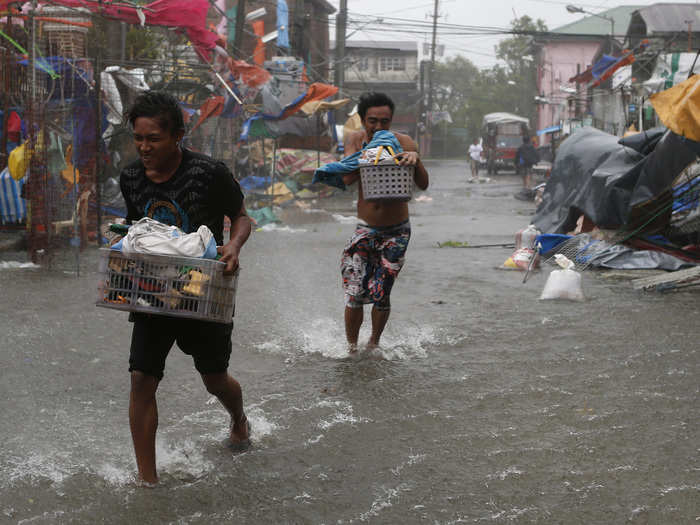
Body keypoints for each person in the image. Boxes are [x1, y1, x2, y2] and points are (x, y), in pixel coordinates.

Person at [118, 91, 252, 484]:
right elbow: (134, 228)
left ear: (177, 136)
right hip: (153, 291)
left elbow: (241, 217)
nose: (144, 147)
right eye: (138, 138)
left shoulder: (209, 173)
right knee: (142, 378)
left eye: (153, 139)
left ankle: (238, 419)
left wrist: (234, 245)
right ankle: (148, 480)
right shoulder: (130, 177)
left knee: (214, 379)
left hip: (203, 290)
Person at [341, 92, 429, 350]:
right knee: (355, 292)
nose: (379, 127)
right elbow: (346, 180)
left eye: (384, 121)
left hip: (398, 231)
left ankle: (373, 344)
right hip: (365, 228)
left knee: (381, 292)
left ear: (391, 120)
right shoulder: (354, 141)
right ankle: (351, 348)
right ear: (362, 119)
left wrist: (415, 161)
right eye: (372, 121)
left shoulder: (404, 142)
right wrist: (366, 155)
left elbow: (423, 184)